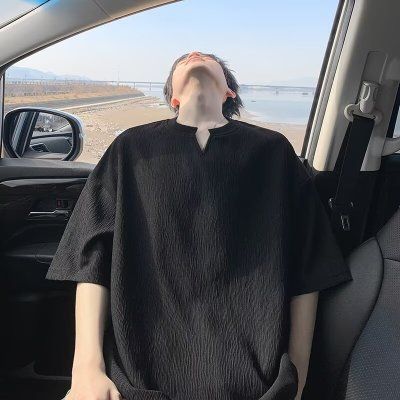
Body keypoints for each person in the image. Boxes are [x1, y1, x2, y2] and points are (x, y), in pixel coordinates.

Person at [47, 51, 353, 400]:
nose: (195, 55)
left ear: (229, 93)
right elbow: (91, 260)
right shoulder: (130, 148)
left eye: (210, 59)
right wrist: (86, 369)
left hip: (256, 385)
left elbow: (309, 266)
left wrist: (297, 380)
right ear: (173, 99)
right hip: (136, 382)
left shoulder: (274, 151)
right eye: (182, 62)